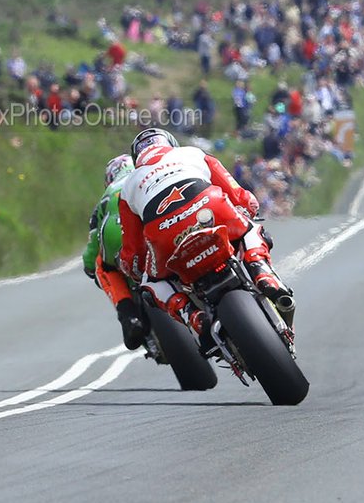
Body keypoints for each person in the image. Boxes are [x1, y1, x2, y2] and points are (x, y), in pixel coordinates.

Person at [117, 128, 294, 349]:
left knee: (151, 283)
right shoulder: (193, 153)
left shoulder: (128, 186)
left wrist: (136, 269)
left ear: (136, 159)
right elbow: (240, 196)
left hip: (164, 234)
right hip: (210, 208)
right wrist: (248, 209)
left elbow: (132, 253)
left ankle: (192, 316)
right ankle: (262, 272)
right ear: (170, 143)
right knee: (249, 230)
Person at [82, 154, 145, 350]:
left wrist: (89, 265)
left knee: (103, 265)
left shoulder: (107, 194)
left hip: (117, 234)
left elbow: (94, 240)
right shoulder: (147, 176)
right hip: (154, 229)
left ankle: (129, 317)